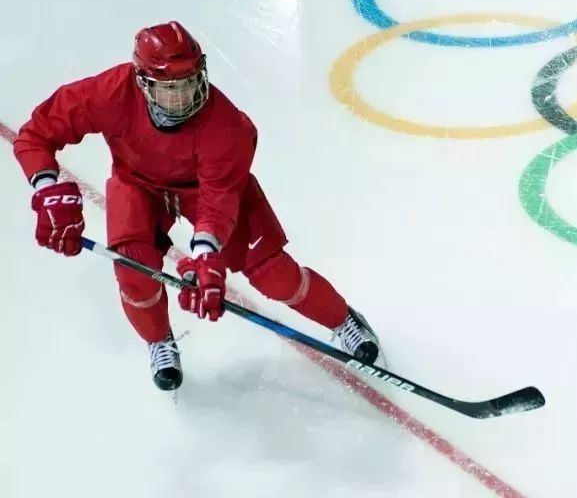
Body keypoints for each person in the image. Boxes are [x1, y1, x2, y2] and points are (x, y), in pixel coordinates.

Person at [13, 21, 380, 391]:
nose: (186, 97)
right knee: (134, 273)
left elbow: (218, 197)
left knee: (274, 273)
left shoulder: (229, 127)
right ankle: (159, 341)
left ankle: (343, 319)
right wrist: (46, 188)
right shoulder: (110, 92)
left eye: (191, 82)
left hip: (204, 191)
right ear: (143, 82)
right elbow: (36, 135)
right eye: (172, 89)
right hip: (138, 185)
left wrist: (205, 252)